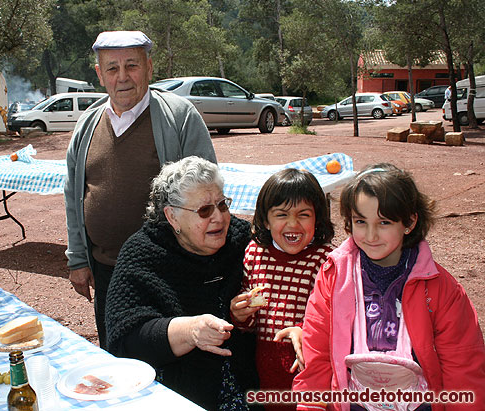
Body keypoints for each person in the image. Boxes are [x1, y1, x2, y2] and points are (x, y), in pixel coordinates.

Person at [64, 30, 216, 348]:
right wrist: (78, 259)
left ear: (149, 67)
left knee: (168, 357)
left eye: (131, 65)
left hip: (165, 271)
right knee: (115, 353)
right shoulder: (87, 124)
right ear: (99, 75)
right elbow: (73, 194)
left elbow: (207, 192)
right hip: (107, 270)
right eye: (112, 68)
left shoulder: (180, 117)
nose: (122, 77)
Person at [293, 163, 485, 411]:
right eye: (361, 221)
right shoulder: (334, 278)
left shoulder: (440, 289)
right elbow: (317, 352)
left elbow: (462, 365)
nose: (371, 235)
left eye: (384, 223)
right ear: (349, 222)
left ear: (409, 222)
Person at [105, 156, 257, 410]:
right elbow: (124, 339)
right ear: (172, 217)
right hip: (177, 395)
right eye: (204, 210)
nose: (219, 218)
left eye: (222, 204)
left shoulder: (242, 238)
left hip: (250, 387)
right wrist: (190, 331)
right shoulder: (143, 253)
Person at [231, 168, 335, 410]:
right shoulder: (254, 254)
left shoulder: (325, 260)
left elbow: (336, 319)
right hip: (265, 370)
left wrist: (304, 332)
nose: (292, 224)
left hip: (310, 371)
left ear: (317, 218)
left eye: (303, 214)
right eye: (281, 214)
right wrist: (240, 315)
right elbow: (252, 322)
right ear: (266, 220)